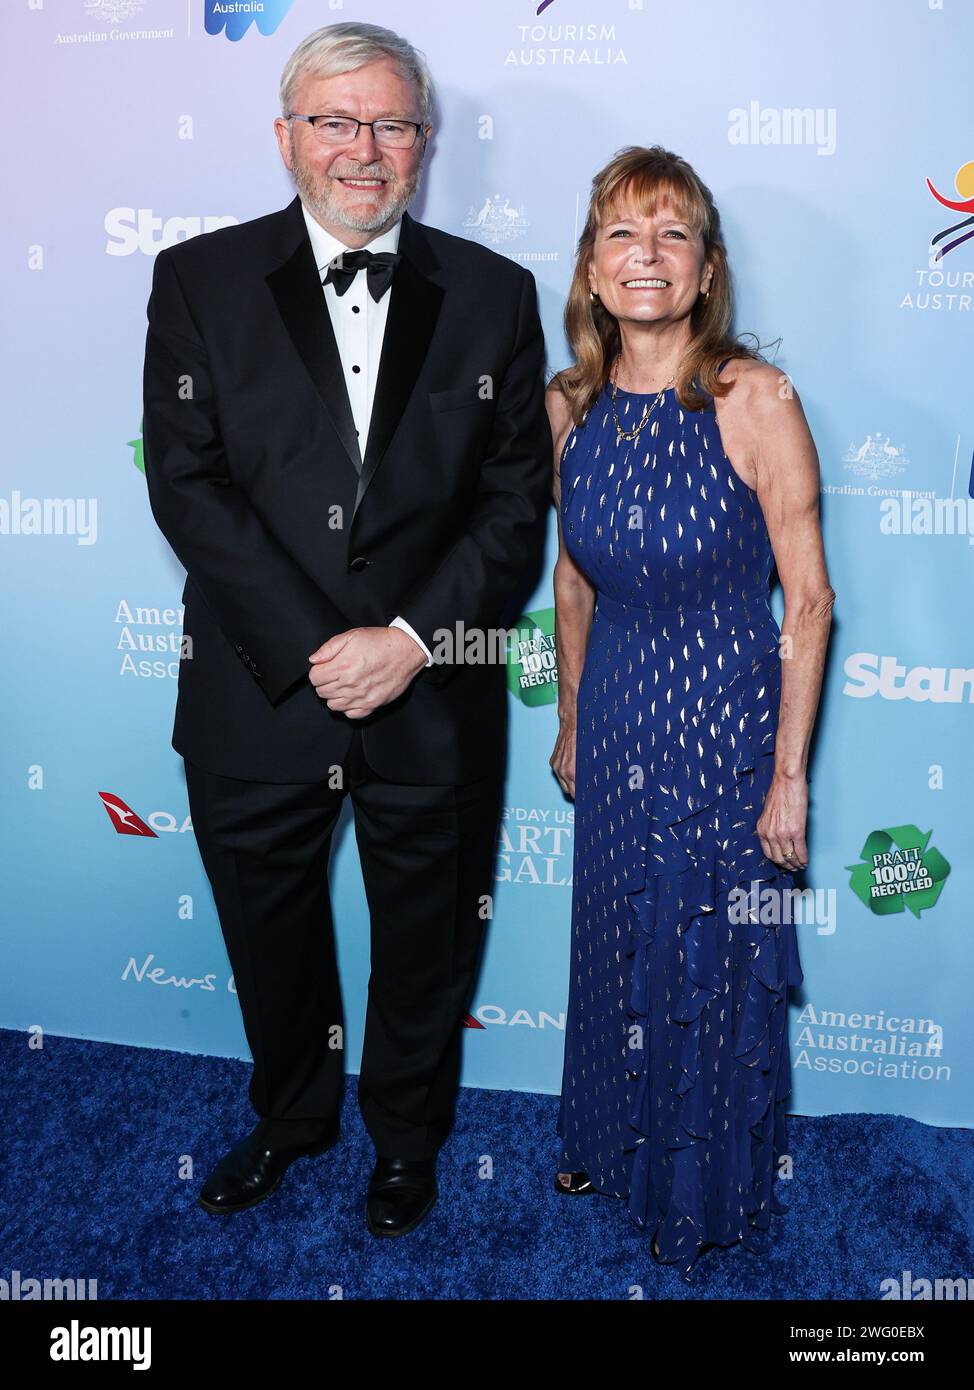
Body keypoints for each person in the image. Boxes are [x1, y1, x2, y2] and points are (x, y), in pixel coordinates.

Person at [141, 21, 550, 1236]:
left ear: (423, 145)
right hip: (255, 687)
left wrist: (408, 641)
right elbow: (187, 482)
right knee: (269, 929)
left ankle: (407, 1141)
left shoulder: (493, 293)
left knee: (426, 937)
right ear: (286, 138)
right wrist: (328, 646)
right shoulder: (198, 280)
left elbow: (512, 498)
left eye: (391, 124)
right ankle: (293, 1113)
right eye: (336, 120)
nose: (362, 149)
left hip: (431, 687)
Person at [546, 145, 834, 1278]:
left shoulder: (750, 398)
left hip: (721, 722)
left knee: (705, 960)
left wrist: (787, 775)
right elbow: (570, 581)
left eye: (671, 235)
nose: (646, 257)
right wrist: (569, 718)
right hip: (616, 714)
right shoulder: (565, 403)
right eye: (622, 234)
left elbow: (806, 601)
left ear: (707, 270)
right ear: (590, 268)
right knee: (614, 939)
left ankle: (696, 1186)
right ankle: (608, 1147)